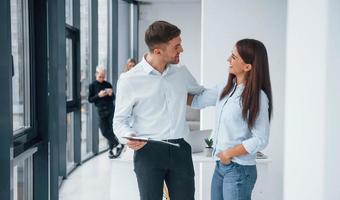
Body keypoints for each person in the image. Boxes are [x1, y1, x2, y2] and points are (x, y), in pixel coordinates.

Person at [113, 21, 203, 200]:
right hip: (149, 151)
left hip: (180, 149)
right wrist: (128, 135)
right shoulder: (129, 79)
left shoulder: (181, 73)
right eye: (177, 46)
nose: (182, 50)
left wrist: (233, 91)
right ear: (157, 51)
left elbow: (200, 95)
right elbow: (119, 121)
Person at [188, 39, 273, 200]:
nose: (228, 59)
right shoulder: (225, 88)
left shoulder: (258, 97)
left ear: (248, 67)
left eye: (234, 57)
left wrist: (228, 154)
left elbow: (261, 139)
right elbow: (196, 101)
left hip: (239, 169)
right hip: (221, 166)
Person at [88, 65, 125, 159]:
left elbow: (113, 98)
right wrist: (98, 95)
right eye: (100, 76)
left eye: (103, 76)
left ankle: (111, 151)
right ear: (96, 74)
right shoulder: (92, 86)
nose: (102, 78)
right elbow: (90, 99)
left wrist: (110, 94)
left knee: (112, 129)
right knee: (104, 131)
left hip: (110, 108)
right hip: (101, 110)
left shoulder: (108, 84)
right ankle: (118, 144)